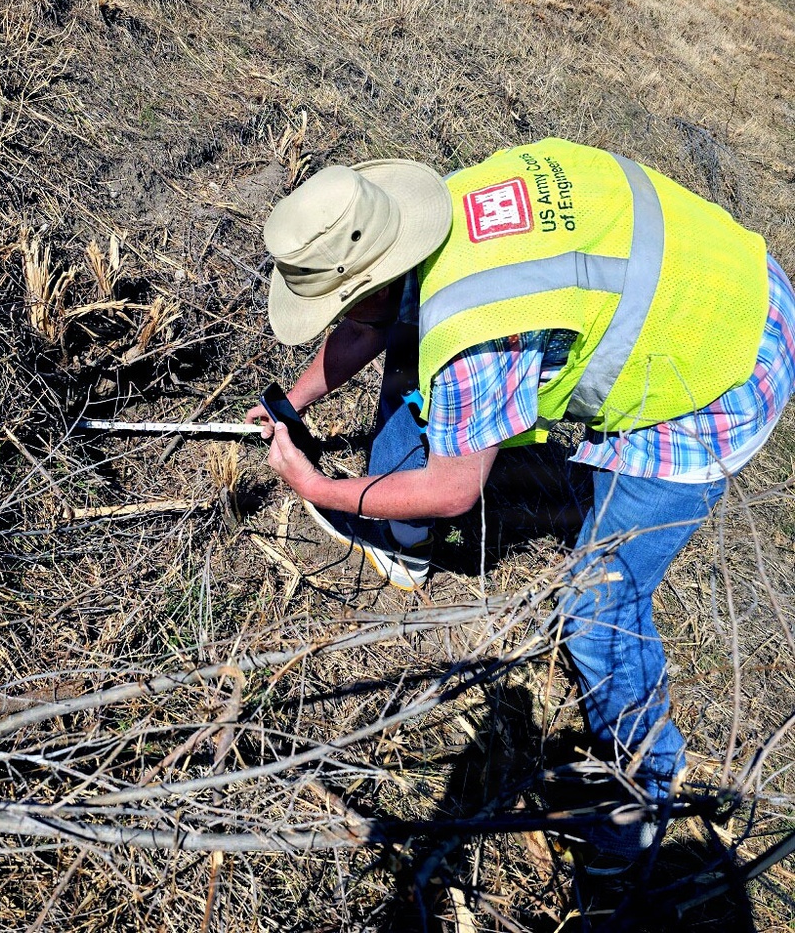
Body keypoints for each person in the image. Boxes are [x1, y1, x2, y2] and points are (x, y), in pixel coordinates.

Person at [246, 138, 795, 868]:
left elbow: (453, 489)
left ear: (370, 274)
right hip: (731, 274)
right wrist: (289, 403)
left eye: (337, 301)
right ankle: (401, 532)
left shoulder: (475, 328)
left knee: (600, 606)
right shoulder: (439, 213)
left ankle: (647, 791)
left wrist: (316, 486)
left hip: (722, 368)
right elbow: (375, 323)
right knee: (418, 334)